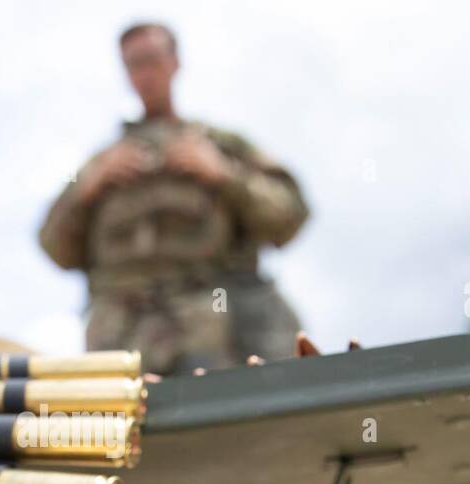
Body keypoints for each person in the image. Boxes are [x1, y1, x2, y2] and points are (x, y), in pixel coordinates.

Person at [39, 22, 311, 375]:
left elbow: (289, 216)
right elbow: (53, 245)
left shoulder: (218, 145)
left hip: (215, 327)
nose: (145, 73)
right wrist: (87, 188)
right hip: (120, 335)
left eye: (152, 59)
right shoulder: (101, 163)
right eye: (134, 64)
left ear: (174, 62)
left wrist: (224, 175)